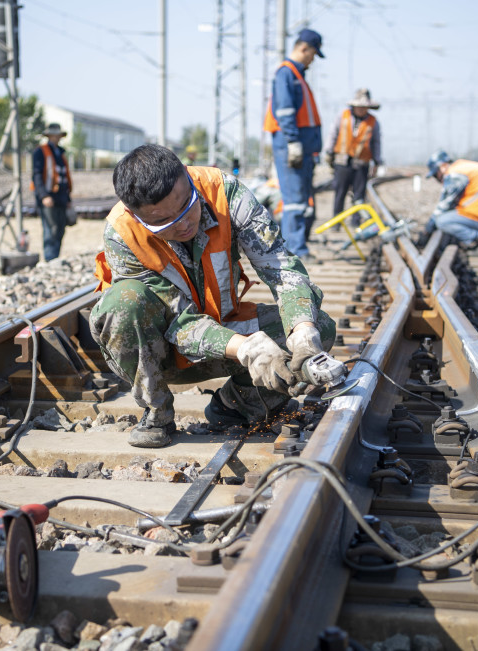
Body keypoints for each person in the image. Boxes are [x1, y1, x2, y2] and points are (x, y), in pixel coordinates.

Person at [91, 144, 336, 448]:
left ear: (189, 181)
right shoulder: (122, 232)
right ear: (136, 215)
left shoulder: (226, 193)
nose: (182, 224)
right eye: (163, 222)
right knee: (122, 302)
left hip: (224, 332)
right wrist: (246, 348)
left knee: (320, 326)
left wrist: (302, 332)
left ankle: (235, 405)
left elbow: (279, 266)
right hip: (159, 350)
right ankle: (157, 412)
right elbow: (179, 323)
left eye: (186, 206)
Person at [264, 28, 325, 260]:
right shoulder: (286, 73)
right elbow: (285, 112)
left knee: (301, 200)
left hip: (302, 146)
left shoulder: (297, 75)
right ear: (303, 48)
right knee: (294, 201)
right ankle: (295, 250)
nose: (312, 60)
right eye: (312, 54)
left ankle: (299, 246)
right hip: (292, 144)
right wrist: (293, 142)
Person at [324, 88, 383, 227]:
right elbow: (333, 133)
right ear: (354, 106)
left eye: (365, 107)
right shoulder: (342, 116)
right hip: (342, 161)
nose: (362, 109)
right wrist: (328, 152)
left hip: (362, 163)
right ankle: (336, 223)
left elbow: (376, 142)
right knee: (340, 192)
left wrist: (377, 161)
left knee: (359, 195)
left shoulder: (373, 121)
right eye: (359, 106)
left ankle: (355, 223)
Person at [31, 123, 73, 261]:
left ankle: (55, 258)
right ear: (49, 136)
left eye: (58, 135)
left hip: (61, 197)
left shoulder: (60, 153)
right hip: (48, 197)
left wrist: (68, 200)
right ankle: (50, 258)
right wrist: (43, 196)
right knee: (51, 229)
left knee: (60, 229)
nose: (57, 138)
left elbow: (63, 178)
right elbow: (36, 175)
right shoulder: (40, 152)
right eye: (55, 135)